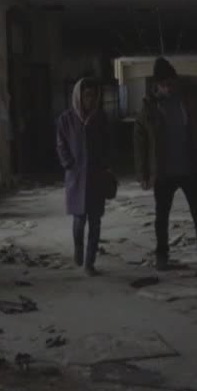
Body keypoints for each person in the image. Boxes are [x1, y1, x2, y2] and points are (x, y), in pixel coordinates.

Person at [134, 58, 197, 276]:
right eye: (164, 84)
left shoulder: (191, 101)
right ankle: (162, 256)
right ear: (156, 85)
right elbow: (140, 141)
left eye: (171, 82)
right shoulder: (149, 107)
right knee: (161, 217)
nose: (168, 87)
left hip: (191, 169)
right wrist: (143, 173)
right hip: (163, 173)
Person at [55, 77, 114, 275]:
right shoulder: (66, 119)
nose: (91, 100)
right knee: (79, 221)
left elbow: (108, 145)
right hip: (77, 177)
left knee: (95, 222)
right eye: (87, 95)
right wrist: (69, 163)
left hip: (96, 177)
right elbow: (61, 143)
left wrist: (106, 168)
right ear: (79, 96)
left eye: (94, 96)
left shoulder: (101, 118)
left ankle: (90, 263)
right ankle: (79, 249)